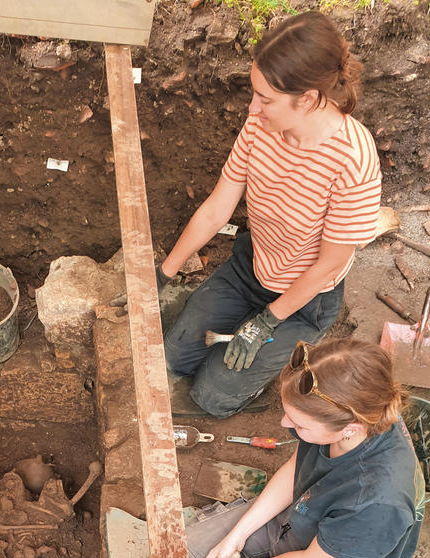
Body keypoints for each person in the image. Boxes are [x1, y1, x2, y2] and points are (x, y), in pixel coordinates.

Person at [160, 12, 381, 418]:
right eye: (255, 92)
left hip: (302, 298)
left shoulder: (353, 159)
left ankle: (272, 370)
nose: (253, 107)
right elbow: (217, 208)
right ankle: (242, 331)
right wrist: (165, 272)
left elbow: (329, 264)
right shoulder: (261, 126)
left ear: (309, 99)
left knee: (212, 397)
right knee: (173, 358)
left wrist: (266, 321)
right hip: (252, 266)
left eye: (265, 98)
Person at [186, 338, 425, 558]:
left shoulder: (378, 500)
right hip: (299, 514)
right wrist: (238, 534)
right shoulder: (344, 416)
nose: (285, 424)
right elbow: (297, 466)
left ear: (348, 428)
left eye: (298, 424)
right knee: (184, 551)